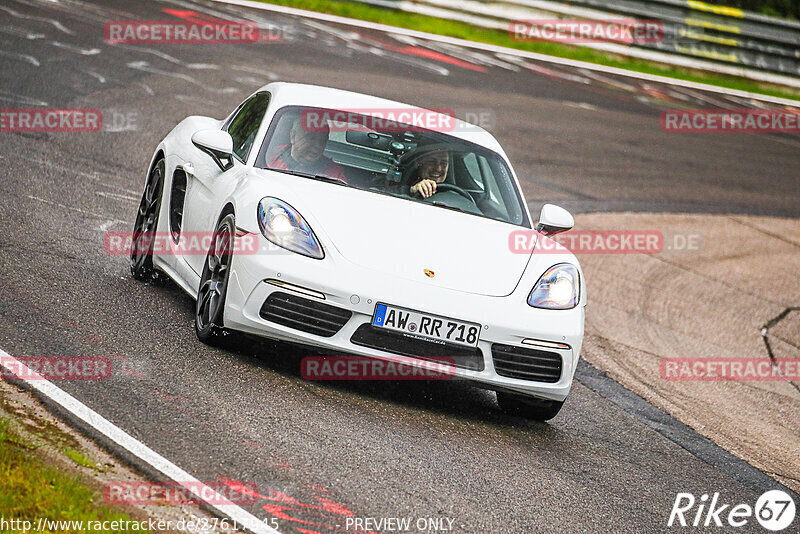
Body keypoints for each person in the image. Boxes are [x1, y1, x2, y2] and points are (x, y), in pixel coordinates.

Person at [267, 117, 348, 182]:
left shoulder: (334, 174)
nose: (317, 146)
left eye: (322, 141)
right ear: (293, 136)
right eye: (311, 138)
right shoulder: (269, 155)